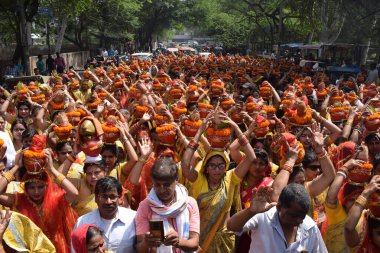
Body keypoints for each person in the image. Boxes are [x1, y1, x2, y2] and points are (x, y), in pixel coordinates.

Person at [227, 183, 328, 252]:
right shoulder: (263, 216)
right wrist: (250, 211)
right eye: (294, 216)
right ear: (279, 207)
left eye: (302, 216)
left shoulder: (310, 226)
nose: (300, 221)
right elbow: (231, 226)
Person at [135, 157, 200, 253]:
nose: (162, 190)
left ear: (176, 180)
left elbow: (194, 243)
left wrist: (178, 242)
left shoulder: (189, 204)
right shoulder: (145, 206)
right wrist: (146, 242)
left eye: (166, 185)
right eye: (157, 185)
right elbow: (139, 248)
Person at [72, 176, 136, 253]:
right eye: (104, 197)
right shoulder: (83, 222)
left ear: (119, 199)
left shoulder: (133, 218)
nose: (108, 202)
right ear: (95, 198)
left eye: (112, 197)